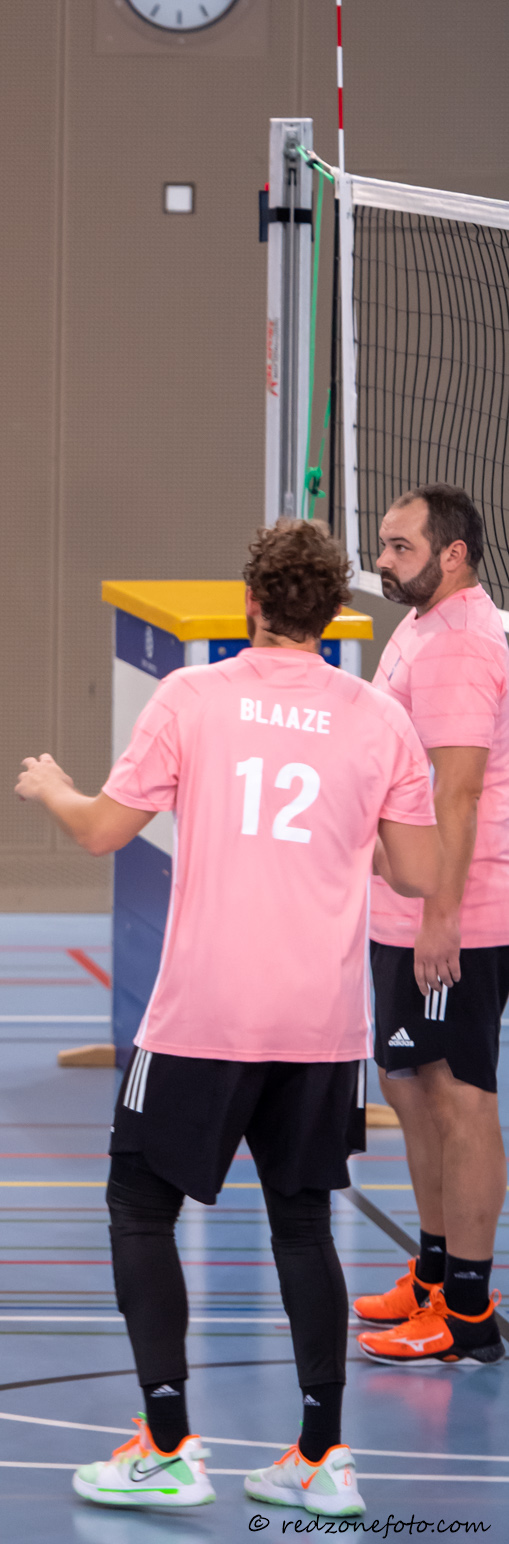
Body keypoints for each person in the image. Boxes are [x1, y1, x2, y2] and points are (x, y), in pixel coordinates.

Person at [16, 519, 439, 1516]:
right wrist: (358, 833)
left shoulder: (191, 696)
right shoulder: (376, 718)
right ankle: (322, 1455)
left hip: (202, 1013)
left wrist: (52, 788)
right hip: (320, 1025)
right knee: (303, 1221)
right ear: (332, 611)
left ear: (249, 602)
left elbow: (101, 831)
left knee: (139, 1206)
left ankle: (166, 1442)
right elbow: (417, 872)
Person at [350, 484, 509, 1367]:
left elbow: (457, 792)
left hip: (456, 911)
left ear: (452, 554)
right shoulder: (421, 626)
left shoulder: (458, 647)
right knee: (409, 1085)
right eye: (382, 544)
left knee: (457, 1096)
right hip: (407, 899)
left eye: (400, 547)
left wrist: (439, 918)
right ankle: (435, 1272)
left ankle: (469, 1313)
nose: (382, 560)